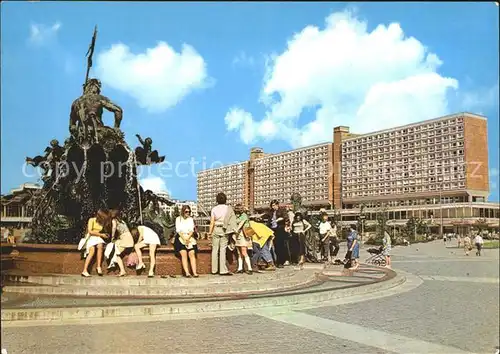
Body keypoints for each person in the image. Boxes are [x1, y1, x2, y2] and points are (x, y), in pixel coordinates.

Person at [208, 192, 233, 276]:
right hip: (224, 229)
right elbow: (231, 221)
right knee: (223, 249)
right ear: (225, 199)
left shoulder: (214, 209)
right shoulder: (228, 208)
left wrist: (209, 232)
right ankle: (222, 270)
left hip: (216, 228)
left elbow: (212, 222)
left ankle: (214, 270)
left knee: (214, 250)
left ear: (217, 200)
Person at [81, 209, 110, 277]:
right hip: (91, 237)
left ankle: (98, 266)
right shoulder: (91, 220)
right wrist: (101, 235)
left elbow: (100, 232)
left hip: (97, 238)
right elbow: (90, 231)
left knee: (100, 246)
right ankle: (84, 270)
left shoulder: (102, 223)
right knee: (92, 251)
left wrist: (104, 235)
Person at [174, 205, 198, 278]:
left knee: (192, 253)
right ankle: (187, 273)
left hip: (189, 237)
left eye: (189, 212)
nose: (188, 213)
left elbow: (191, 230)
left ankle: (194, 272)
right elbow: (178, 230)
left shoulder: (190, 219)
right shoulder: (178, 219)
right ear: (183, 211)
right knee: (183, 253)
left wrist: (188, 238)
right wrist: (184, 239)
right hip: (181, 237)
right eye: (186, 211)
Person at [109, 209, 134, 277]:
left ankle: (122, 271)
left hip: (125, 239)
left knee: (117, 254)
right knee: (118, 250)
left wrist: (112, 237)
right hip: (129, 238)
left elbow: (114, 228)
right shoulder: (122, 221)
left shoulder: (114, 220)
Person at [265, 200, 288, 267]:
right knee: (275, 245)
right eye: (272, 205)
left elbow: (285, 217)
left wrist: (279, 219)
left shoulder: (282, 210)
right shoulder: (271, 212)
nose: (273, 207)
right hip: (273, 229)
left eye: (274, 205)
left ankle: (280, 261)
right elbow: (266, 216)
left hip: (280, 228)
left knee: (280, 245)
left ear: (277, 205)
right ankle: (276, 261)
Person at [233, 204, 253, 274]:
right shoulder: (237, 216)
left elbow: (240, 224)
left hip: (243, 235)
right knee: (239, 253)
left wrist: (235, 230)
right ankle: (240, 268)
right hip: (239, 235)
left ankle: (250, 268)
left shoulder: (244, 216)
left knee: (244, 251)